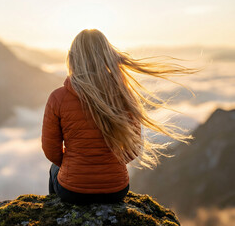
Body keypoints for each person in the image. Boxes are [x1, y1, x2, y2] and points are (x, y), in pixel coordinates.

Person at [41, 29, 197, 204]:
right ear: (107, 56)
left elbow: (50, 149)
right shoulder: (124, 94)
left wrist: (75, 166)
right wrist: (110, 164)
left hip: (73, 192)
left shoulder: (58, 97)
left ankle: (55, 213)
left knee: (55, 169)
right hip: (116, 190)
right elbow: (134, 148)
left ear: (72, 58)